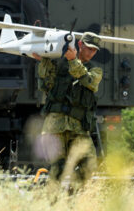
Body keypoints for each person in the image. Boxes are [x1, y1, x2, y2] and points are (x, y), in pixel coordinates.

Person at [31, 32, 103, 185]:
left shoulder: (96, 71)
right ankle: (55, 203)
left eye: (95, 50)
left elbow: (88, 81)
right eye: (89, 48)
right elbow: (45, 86)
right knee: (58, 169)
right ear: (80, 45)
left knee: (89, 166)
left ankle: (76, 199)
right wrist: (44, 62)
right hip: (55, 126)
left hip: (79, 128)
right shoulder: (59, 64)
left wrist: (73, 60)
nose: (91, 52)